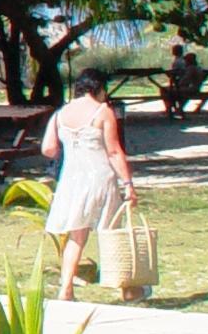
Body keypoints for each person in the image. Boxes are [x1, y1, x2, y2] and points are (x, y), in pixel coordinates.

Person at [40, 68, 139, 300]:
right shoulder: (102, 112)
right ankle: (127, 288)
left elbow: (48, 149)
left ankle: (66, 288)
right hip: (100, 177)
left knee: (77, 234)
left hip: (72, 180)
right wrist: (128, 183)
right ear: (99, 88)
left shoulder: (61, 114)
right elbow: (114, 151)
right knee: (111, 232)